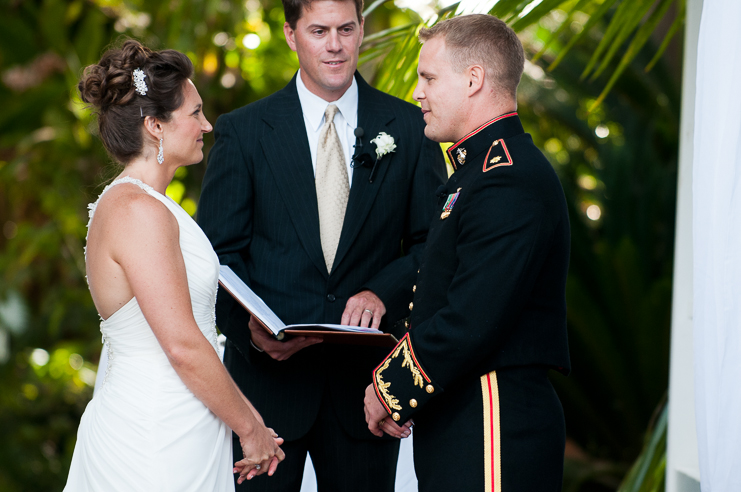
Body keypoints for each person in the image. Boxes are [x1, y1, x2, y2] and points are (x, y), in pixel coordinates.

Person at [196, 0, 447, 489]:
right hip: (264, 396)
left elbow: (432, 243)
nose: (335, 45)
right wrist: (251, 332)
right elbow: (216, 259)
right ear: (291, 35)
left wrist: (382, 292)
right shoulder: (243, 132)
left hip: (365, 394)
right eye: (318, 31)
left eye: (346, 29)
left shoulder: (411, 128)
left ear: (360, 31)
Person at [363, 14, 571, 491]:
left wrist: (391, 389)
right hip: (466, 414)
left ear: (474, 79)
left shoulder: (507, 177)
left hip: (493, 418)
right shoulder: (479, 171)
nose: (418, 92)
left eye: (429, 77)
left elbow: (471, 317)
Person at [65, 40, 285, 491]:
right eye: (195, 112)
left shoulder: (150, 205)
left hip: (182, 423)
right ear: (155, 126)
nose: (206, 124)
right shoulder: (137, 211)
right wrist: (250, 427)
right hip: (154, 435)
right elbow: (183, 345)